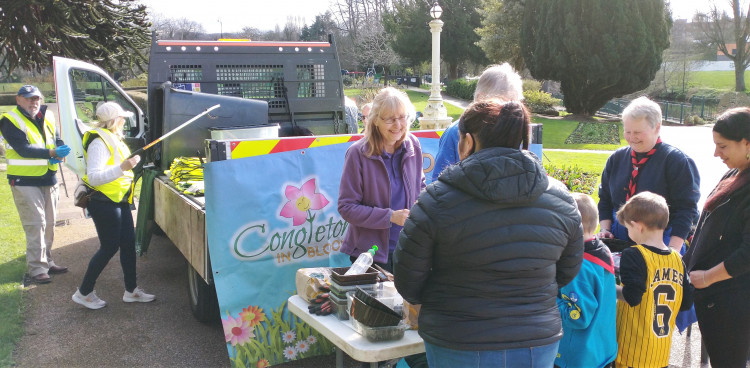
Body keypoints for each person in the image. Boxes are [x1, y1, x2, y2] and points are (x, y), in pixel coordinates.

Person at [394, 99, 583, 367]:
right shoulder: (561, 198)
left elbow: (408, 280)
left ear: (467, 142)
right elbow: (567, 270)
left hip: (458, 339)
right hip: (535, 339)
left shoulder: (436, 200)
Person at [683, 107, 750, 368]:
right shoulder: (735, 172)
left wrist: (708, 277)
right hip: (715, 297)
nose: (715, 154)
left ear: (746, 142)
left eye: (722, 146)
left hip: (734, 300)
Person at [71, 102, 155, 309]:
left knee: (128, 243)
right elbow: (94, 177)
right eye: (122, 117)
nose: (125, 120)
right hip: (103, 201)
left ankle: (131, 291)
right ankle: (84, 292)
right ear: (114, 120)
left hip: (119, 199)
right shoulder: (98, 142)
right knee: (109, 247)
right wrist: (123, 167)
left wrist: (126, 166)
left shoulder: (113, 137)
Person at [338, 87, 426, 273]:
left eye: (402, 117)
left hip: (409, 249)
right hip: (370, 255)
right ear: (376, 120)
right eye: (389, 119)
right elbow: (347, 208)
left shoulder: (413, 145)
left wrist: (423, 203)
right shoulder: (357, 154)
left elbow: (420, 185)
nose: (398, 125)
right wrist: (390, 217)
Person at [598, 96, 700, 252]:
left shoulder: (676, 161)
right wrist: (605, 230)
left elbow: (686, 209)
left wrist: (673, 249)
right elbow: (605, 198)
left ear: (657, 128)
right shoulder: (616, 159)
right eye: (627, 131)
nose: (632, 137)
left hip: (662, 241)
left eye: (638, 132)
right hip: (619, 237)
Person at [614, 191, 693, 368]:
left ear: (637, 226)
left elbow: (632, 297)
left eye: (628, 228)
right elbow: (686, 302)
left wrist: (608, 287)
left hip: (631, 351)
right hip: (660, 352)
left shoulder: (634, 254)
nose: (628, 233)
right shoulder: (677, 259)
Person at [0, 85, 70, 284]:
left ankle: (47, 261)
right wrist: (51, 153)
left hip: (48, 177)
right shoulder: (10, 120)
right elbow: (22, 149)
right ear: (19, 99)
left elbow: (55, 138)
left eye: (37, 98)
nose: (34, 102)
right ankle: (36, 268)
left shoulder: (47, 115)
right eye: (29, 98)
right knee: (35, 224)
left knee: (49, 224)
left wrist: (60, 148)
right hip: (24, 180)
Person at [431, 63, 523, 181]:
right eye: (502, 103)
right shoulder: (455, 132)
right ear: (481, 99)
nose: (510, 111)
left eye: (515, 104)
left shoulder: (515, 131)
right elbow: (439, 182)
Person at [555, 193, 617, 368]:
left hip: (577, 356)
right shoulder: (601, 250)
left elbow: (577, 317)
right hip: (601, 348)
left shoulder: (577, 266)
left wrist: (548, 299)